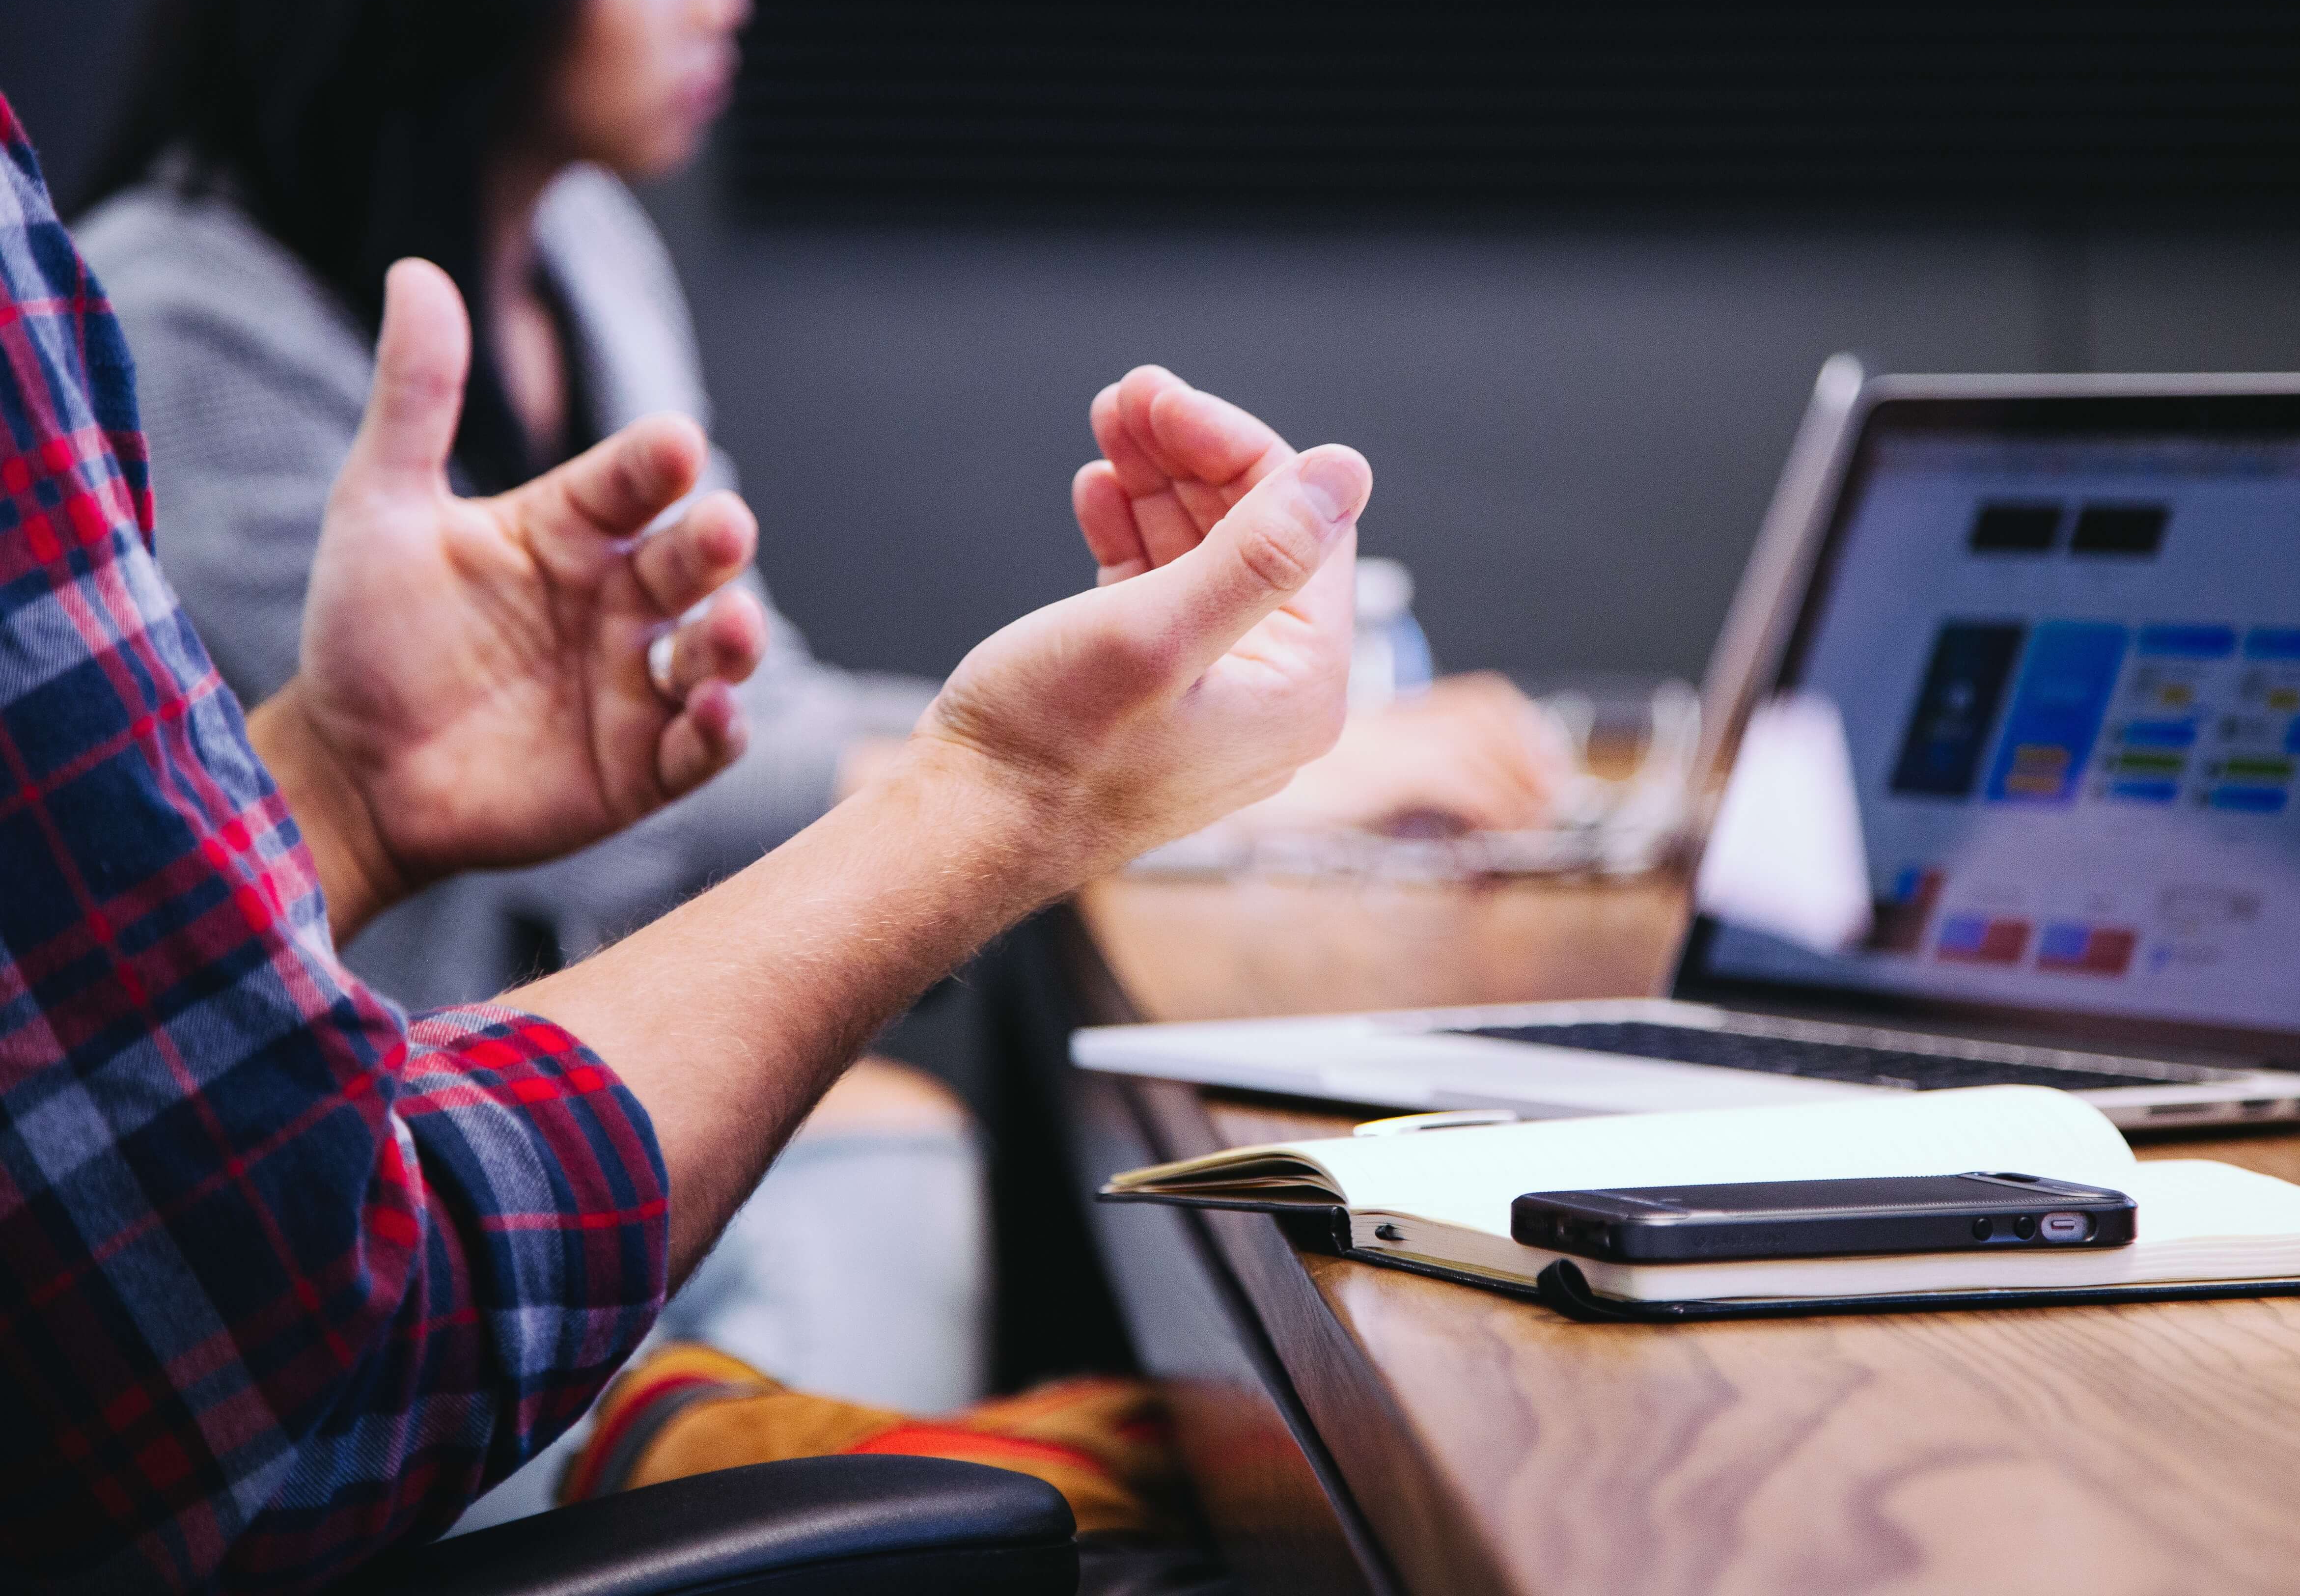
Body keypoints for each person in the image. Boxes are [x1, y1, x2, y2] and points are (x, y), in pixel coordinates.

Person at [74, 0, 1562, 1420]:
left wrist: (1120, 757)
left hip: (545, 1098)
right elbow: (634, 821)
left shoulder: (582, 248)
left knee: (922, 1162)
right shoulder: (174, 326)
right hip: (368, 1210)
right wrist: (1126, 778)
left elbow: (734, 712)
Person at [0, 83, 1374, 1589]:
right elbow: (297, 1326)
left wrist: (336, 790)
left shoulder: (589, 245)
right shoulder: (168, 298)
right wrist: (1004, 798)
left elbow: (79, 1033)